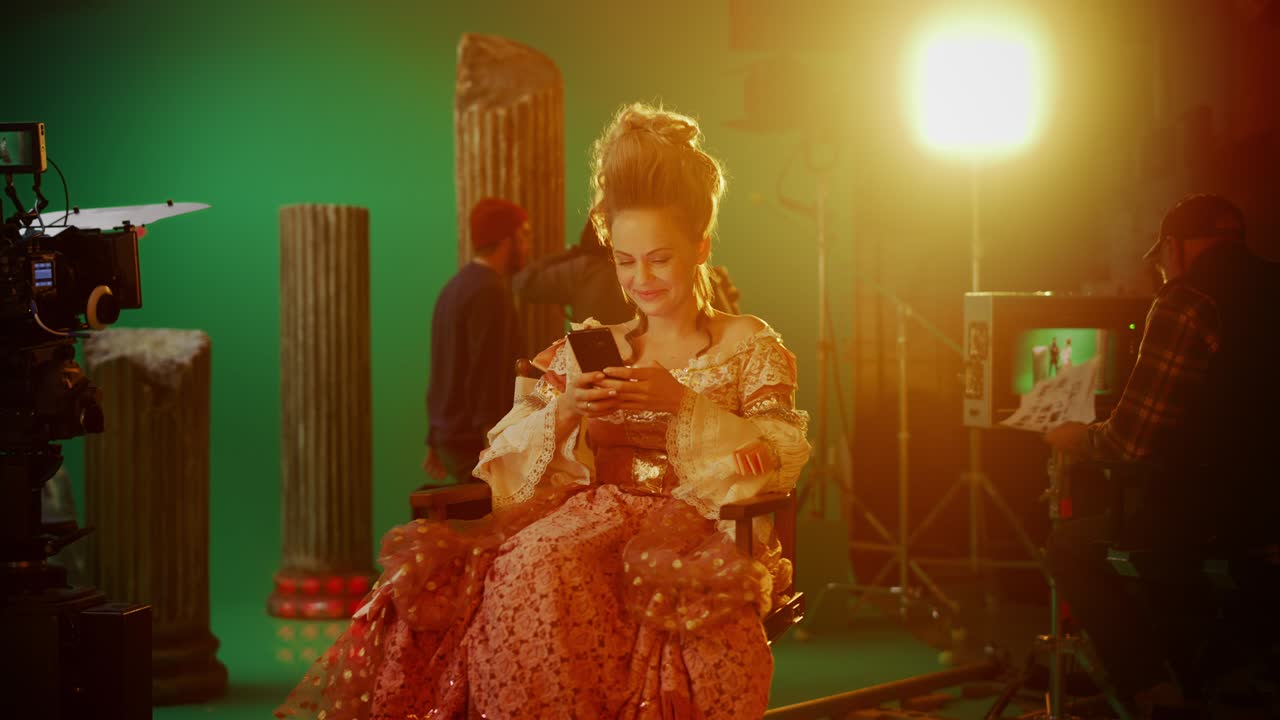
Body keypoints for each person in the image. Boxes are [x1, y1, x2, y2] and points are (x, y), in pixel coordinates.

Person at [278, 103, 811, 719]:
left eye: (659, 258)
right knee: (532, 565)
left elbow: (782, 452)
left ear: (700, 247)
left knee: (593, 578)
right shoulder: (591, 345)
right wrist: (565, 412)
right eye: (624, 259)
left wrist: (683, 405)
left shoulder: (745, 342)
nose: (641, 279)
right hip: (588, 518)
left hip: (694, 525)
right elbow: (501, 452)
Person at [1044, 193, 1280, 718]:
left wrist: (1077, 437)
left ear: (1173, 248)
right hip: (1268, 520)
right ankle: (1214, 673)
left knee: (1070, 547)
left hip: (1212, 519)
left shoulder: (1187, 300)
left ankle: (1156, 695)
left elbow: (1129, 442)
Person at [422, 197, 531, 483]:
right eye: (525, 234)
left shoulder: (453, 288)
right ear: (507, 239)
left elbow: (441, 368)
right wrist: (492, 445)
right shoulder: (490, 293)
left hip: (451, 438)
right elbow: (486, 371)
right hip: (476, 443)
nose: (529, 244)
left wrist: (434, 438)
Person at [512, 217, 635, 325]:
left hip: (590, 348)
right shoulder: (638, 267)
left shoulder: (585, 268)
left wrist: (571, 253)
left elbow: (524, 282)